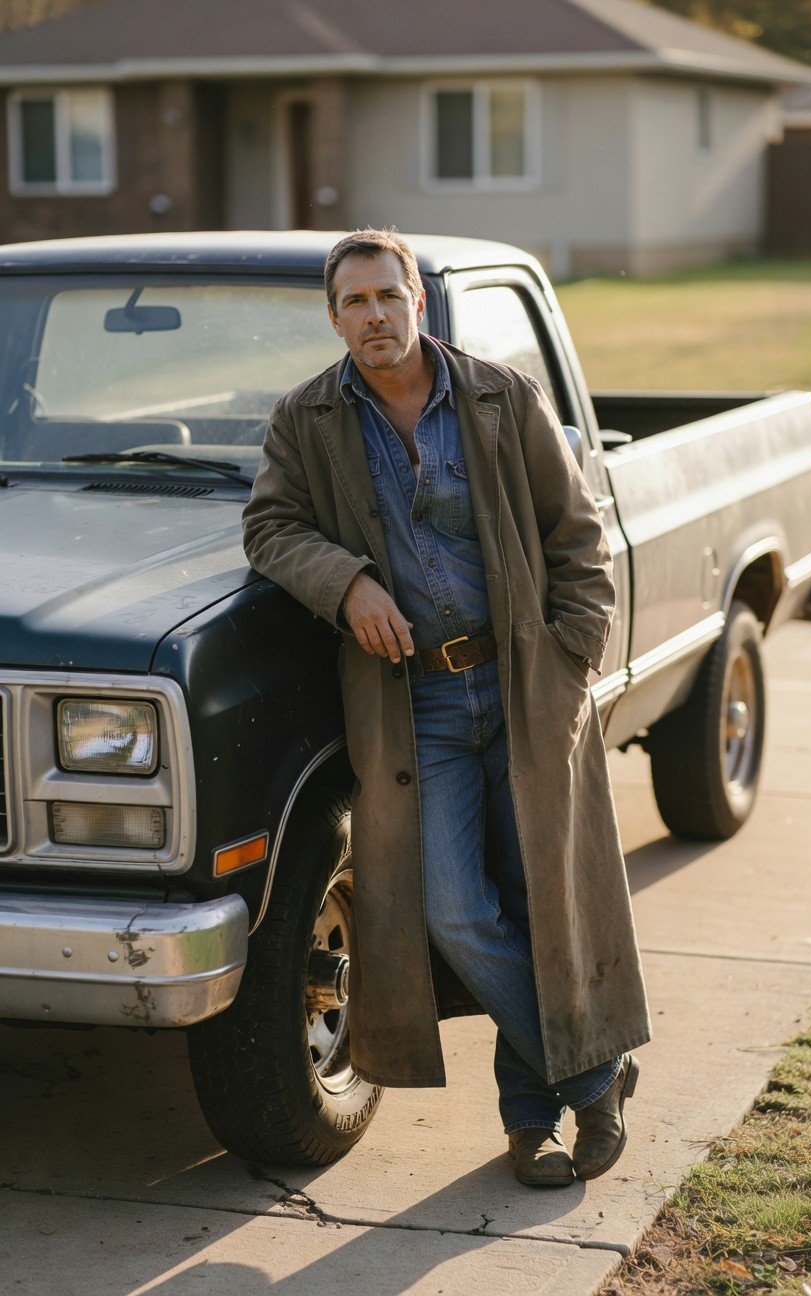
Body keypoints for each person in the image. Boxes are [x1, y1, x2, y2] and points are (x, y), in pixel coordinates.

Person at [242, 228, 651, 1187]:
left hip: (522, 690)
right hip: (412, 708)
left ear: (417, 301)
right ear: (333, 315)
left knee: (536, 901)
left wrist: (569, 665)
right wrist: (346, 585)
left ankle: (528, 1126)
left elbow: (579, 539)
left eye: (389, 296)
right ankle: (595, 1077)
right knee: (459, 912)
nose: (374, 316)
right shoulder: (306, 419)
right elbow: (269, 525)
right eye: (354, 303)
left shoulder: (504, 398)